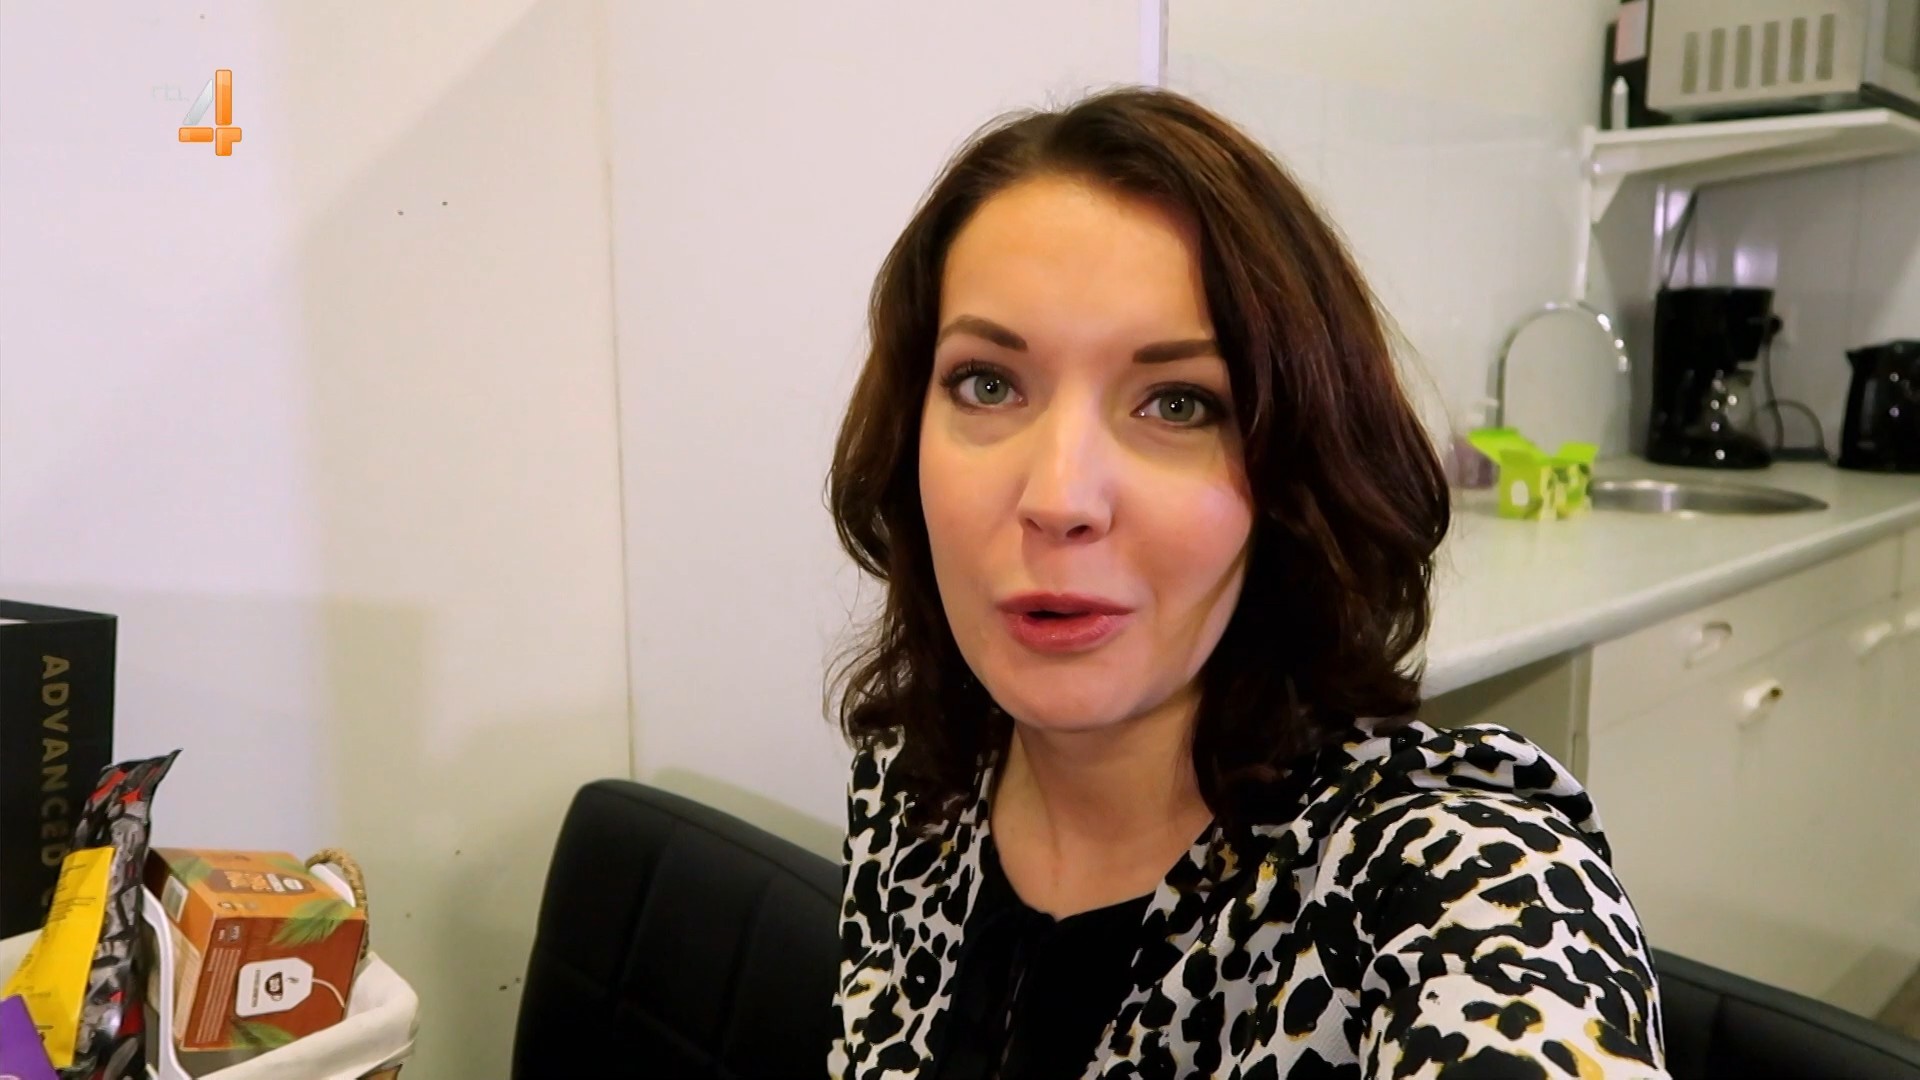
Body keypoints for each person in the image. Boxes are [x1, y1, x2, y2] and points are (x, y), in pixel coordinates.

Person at [824, 87, 1665, 1079]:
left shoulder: (1444, 872)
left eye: (1177, 403)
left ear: (1291, 473)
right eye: (988, 384)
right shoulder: (916, 784)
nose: (1059, 499)